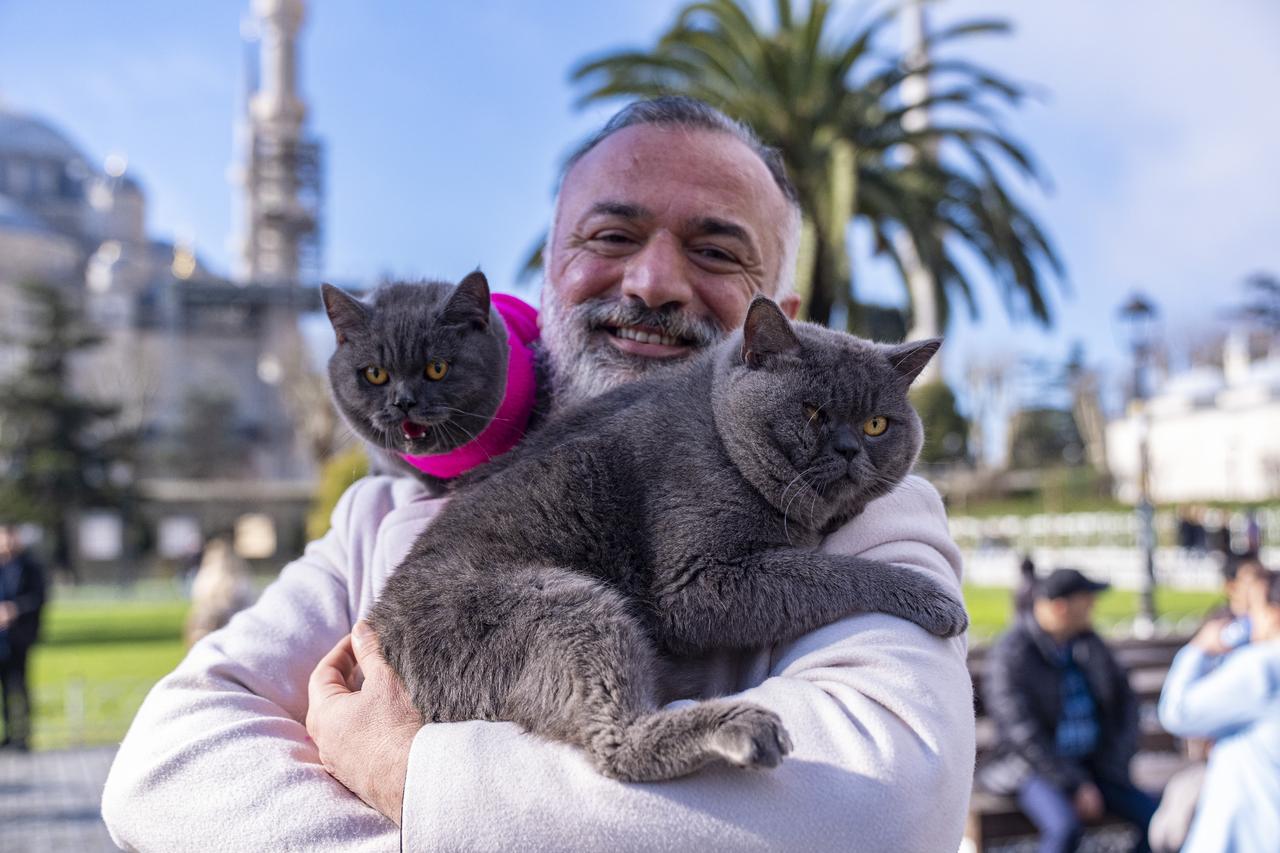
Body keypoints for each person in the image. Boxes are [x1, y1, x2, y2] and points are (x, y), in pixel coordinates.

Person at [102, 97, 975, 851]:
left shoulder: (867, 508)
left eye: (715, 252)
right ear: (552, 277)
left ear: (777, 322)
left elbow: (885, 807)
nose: (653, 280)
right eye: (612, 235)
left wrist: (412, 779)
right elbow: (166, 765)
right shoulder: (379, 517)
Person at [978, 568, 1158, 853]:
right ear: (1060, 607)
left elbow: (1125, 705)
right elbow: (1021, 733)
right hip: (1030, 769)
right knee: (1064, 828)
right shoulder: (1013, 652)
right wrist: (1074, 784)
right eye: (1086, 599)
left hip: (1093, 766)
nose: (1093, 606)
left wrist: (1111, 764)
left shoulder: (1089, 643)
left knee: (1155, 818)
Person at [1157, 569, 1280, 851]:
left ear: (1274, 613)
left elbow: (1177, 712)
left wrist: (1199, 649)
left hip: (1252, 834)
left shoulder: (1263, 667)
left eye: (1255, 609)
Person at [0, 522, 47, 752]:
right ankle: (7, 734)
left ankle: (23, 736)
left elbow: (39, 597)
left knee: (18, 687)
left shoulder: (29, 566)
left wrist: (14, 609)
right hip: (0, 640)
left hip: (18, 637)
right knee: (4, 691)